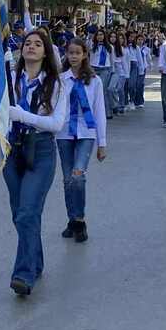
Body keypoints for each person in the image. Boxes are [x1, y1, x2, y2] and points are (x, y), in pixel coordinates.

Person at [0, 27, 68, 297]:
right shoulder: (10, 76)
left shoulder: (56, 84)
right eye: (27, 42)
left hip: (40, 149)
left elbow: (56, 123)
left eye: (37, 44)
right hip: (11, 149)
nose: (31, 46)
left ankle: (23, 274)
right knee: (20, 213)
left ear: (46, 52)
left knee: (28, 211)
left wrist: (22, 116)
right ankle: (35, 260)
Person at [57, 38, 107, 244]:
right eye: (71, 52)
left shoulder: (95, 81)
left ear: (85, 54)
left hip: (86, 132)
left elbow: (99, 111)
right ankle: (72, 220)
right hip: (64, 133)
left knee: (78, 176)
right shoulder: (60, 79)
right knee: (68, 180)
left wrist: (102, 143)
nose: (74, 56)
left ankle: (80, 219)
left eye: (78, 52)